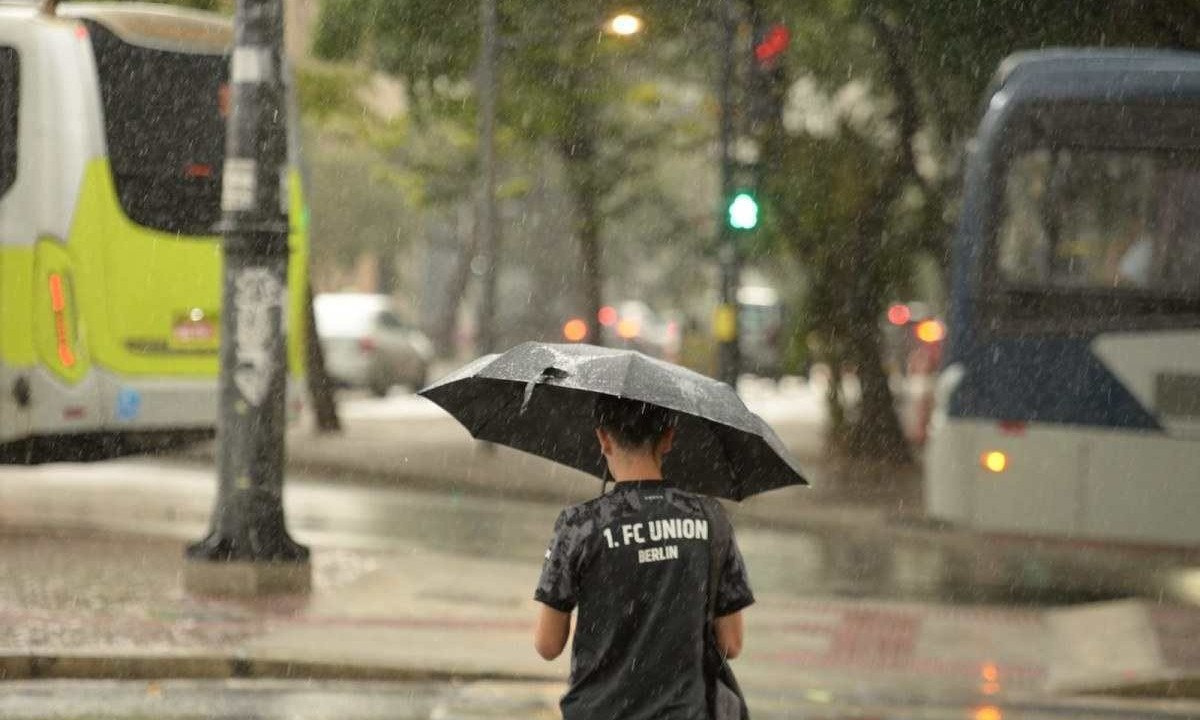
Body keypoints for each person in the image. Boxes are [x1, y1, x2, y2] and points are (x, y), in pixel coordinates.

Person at [533, 395, 755, 720]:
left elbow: (548, 644)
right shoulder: (710, 519)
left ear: (603, 438)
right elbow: (731, 644)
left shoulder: (580, 525)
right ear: (668, 438)